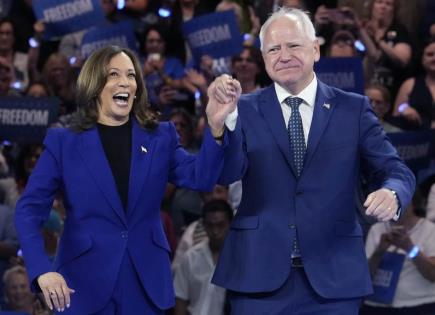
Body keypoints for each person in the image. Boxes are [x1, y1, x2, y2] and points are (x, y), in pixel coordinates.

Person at [208, 8, 416, 314]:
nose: (284, 55)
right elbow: (226, 174)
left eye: (294, 45)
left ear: (316, 50)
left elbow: (395, 170)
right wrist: (217, 128)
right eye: (274, 49)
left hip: (334, 278)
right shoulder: (244, 109)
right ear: (264, 58)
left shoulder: (353, 109)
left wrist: (392, 191)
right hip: (259, 276)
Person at [14, 45, 235, 315]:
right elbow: (28, 210)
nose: (125, 83)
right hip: (82, 285)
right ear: (94, 85)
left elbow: (201, 177)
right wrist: (41, 270)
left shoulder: (160, 137)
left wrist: (215, 127)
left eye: (131, 75)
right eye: (114, 75)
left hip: (145, 286)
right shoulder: (64, 142)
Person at [361, 190, 435, 314]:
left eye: (400, 201)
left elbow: (432, 274)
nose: (395, 206)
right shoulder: (376, 229)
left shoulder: (430, 230)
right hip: (377, 305)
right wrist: (379, 252)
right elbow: (365, 277)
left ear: (413, 202)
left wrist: (410, 248)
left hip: (419, 305)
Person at [173, 199, 233, 315]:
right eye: (210, 225)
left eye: (220, 225)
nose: (215, 231)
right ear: (204, 225)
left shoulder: (238, 260)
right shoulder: (190, 257)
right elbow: (180, 299)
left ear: (230, 224)